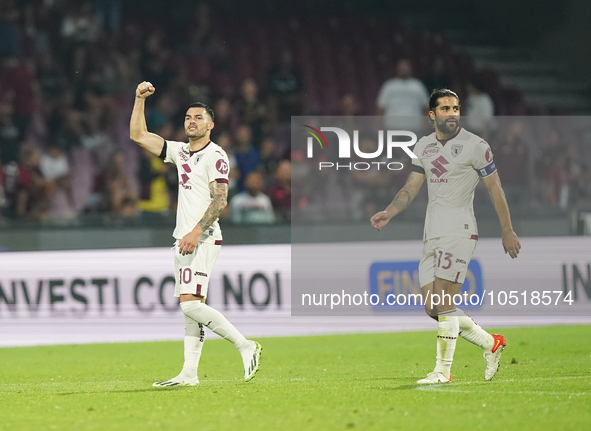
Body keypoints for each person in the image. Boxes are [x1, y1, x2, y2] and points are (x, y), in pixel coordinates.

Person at [370, 89, 521, 384]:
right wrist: (389, 212)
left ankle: (442, 371)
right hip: (432, 234)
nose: (452, 112)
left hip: (460, 230)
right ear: (432, 114)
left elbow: (495, 189)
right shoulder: (424, 146)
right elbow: (411, 188)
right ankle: (491, 344)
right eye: (445, 108)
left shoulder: (476, 146)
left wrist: (507, 230)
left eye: (455, 108)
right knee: (434, 308)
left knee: (444, 301)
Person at [130, 81, 262, 387]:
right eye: (188, 117)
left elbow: (221, 200)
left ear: (211, 125)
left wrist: (195, 231)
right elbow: (138, 135)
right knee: (192, 309)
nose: (192, 121)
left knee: (189, 304)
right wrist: (139, 100)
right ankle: (189, 373)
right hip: (184, 237)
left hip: (201, 237)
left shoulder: (216, 156)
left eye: (198, 118)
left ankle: (246, 345)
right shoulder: (179, 151)